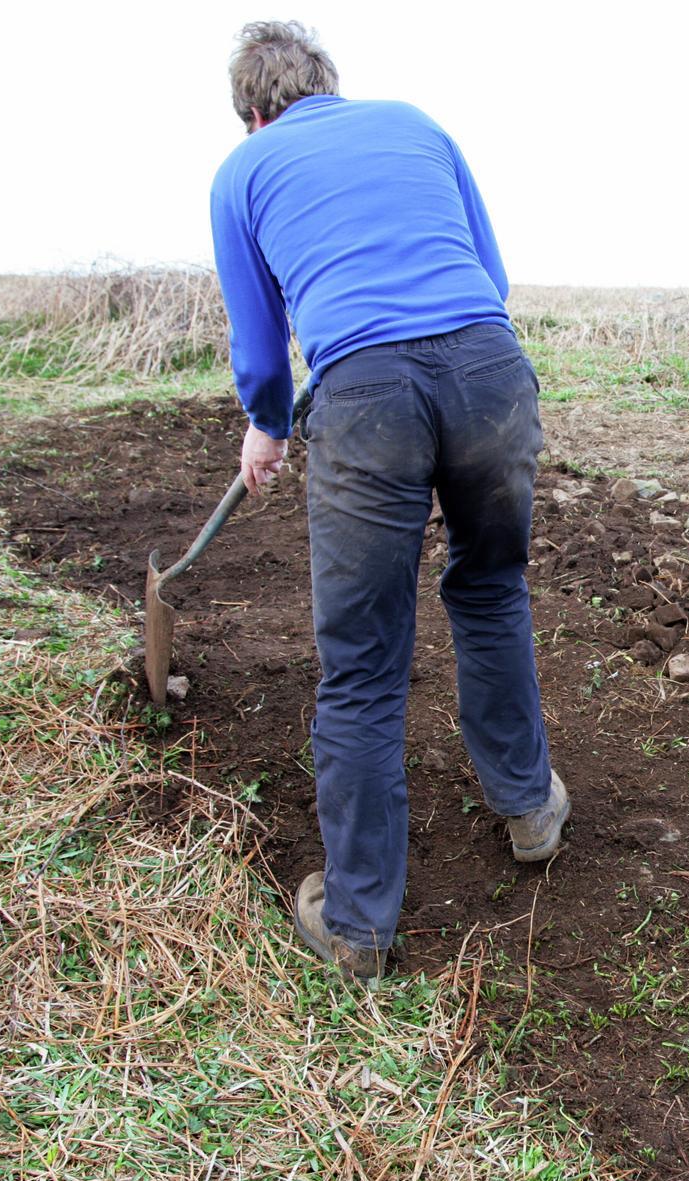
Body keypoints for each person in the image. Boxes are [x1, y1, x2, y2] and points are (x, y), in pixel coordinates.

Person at [210, 20, 568, 984]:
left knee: (363, 660)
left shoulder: (244, 172)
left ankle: (360, 926)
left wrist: (268, 421)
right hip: (492, 370)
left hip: (366, 398)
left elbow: (259, 338)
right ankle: (530, 809)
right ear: (329, 85)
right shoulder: (416, 123)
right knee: (491, 587)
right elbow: (489, 276)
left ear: (254, 110)